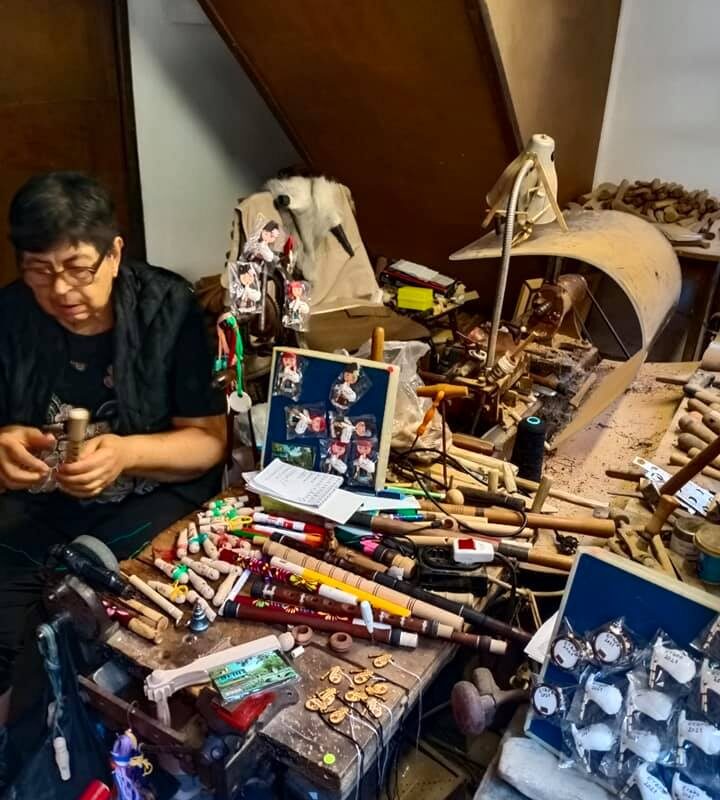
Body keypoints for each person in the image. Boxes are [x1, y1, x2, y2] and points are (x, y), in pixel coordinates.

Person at [0, 172, 227, 722]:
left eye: (78, 268)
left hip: (147, 494)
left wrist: (125, 454)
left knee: (79, 616)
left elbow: (208, 443)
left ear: (114, 253)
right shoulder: (11, 315)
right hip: (42, 502)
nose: (60, 291)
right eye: (39, 271)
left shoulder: (166, 308)